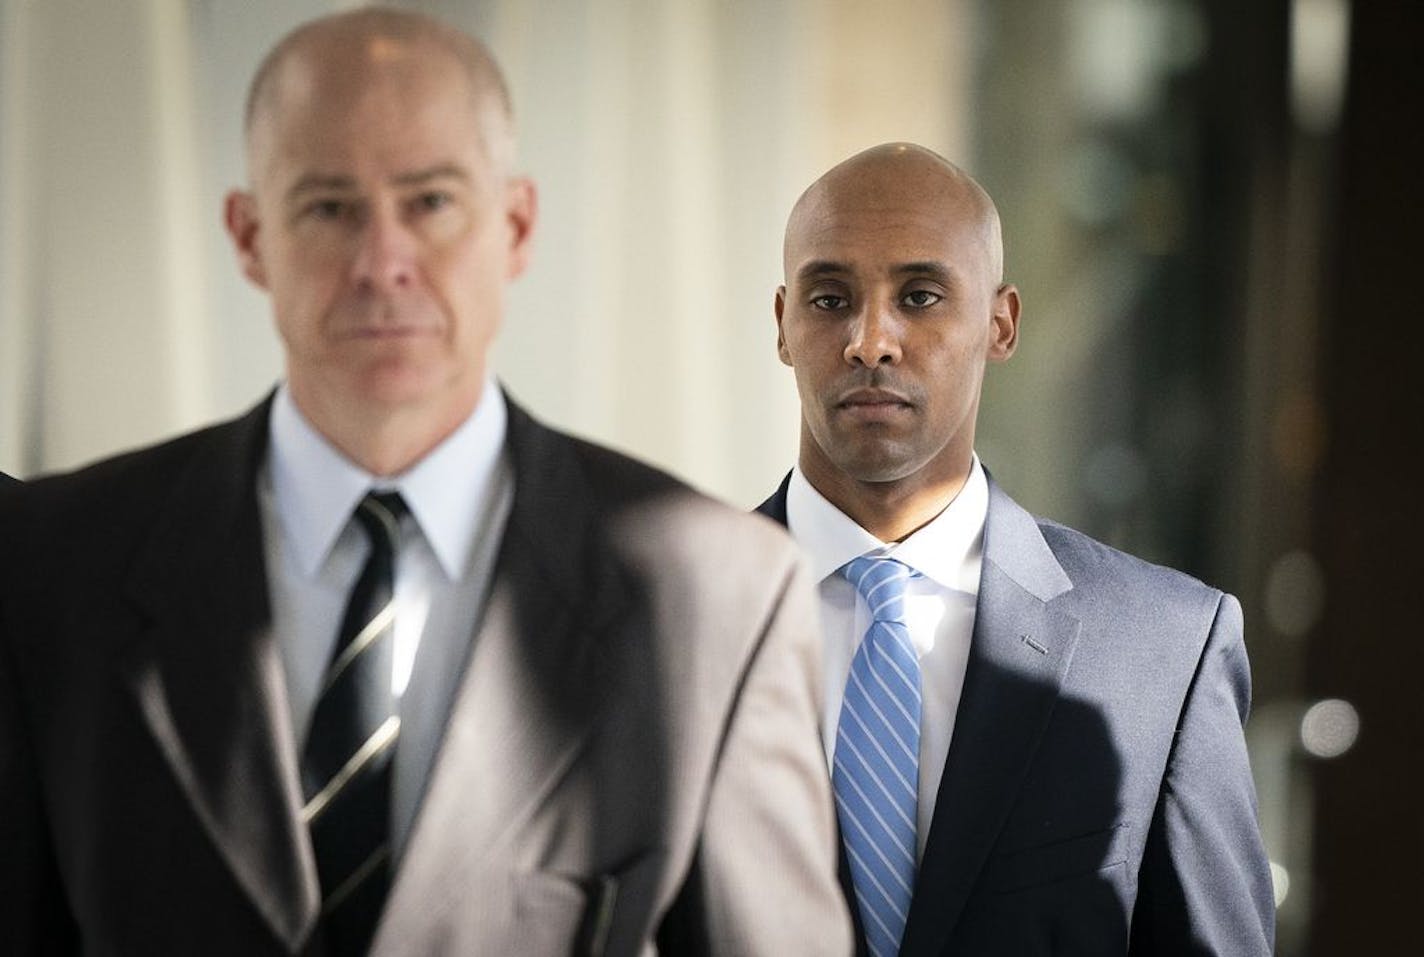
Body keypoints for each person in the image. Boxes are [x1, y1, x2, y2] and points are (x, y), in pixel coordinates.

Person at [0, 9, 851, 955]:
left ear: (517, 225)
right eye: (329, 207)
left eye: (431, 201)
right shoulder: (48, 561)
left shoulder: (722, 599)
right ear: (248, 236)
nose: (381, 263)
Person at [757, 143, 1275, 956]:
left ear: (1001, 323)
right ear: (783, 325)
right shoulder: (654, 620)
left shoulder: (1164, 651)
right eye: (829, 298)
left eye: (920, 296)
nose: (870, 341)